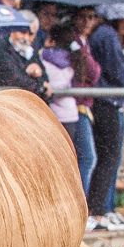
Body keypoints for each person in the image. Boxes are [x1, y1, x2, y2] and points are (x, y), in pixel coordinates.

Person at [85, 7, 124, 229]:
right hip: (106, 103)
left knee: (109, 157)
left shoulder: (105, 34)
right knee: (107, 157)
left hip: (107, 101)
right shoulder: (107, 34)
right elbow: (117, 73)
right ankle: (97, 211)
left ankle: (104, 209)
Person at [40, 20, 97, 204]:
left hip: (53, 115)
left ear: (51, 40)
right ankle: (77, 204)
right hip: (71, 115)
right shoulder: (73, 59)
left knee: (56, 164)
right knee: (73, 162)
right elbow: (94, 74)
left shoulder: (42, 57)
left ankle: (63, 204)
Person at [0, 12, 45, 97]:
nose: (26, 38)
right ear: (12, 29)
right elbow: (12, 78)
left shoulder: (32, 49)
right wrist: (39, 85)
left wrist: (38, 76)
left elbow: (44, 77)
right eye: (22, 32)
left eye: (31, 34)